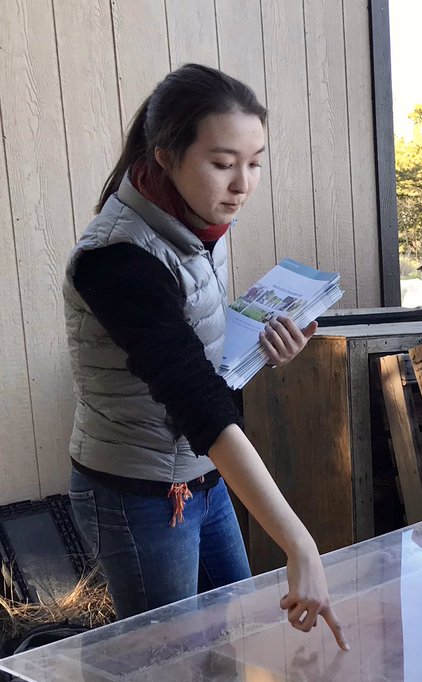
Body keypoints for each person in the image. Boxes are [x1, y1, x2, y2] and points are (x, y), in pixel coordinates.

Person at [63, 64, 346, 648]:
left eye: (255, 162)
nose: (242, 184)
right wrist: (300, 544)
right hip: (140, 493)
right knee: (174, 669)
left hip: (204, 473)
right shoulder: (117, 258)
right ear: (166, 156)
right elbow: (191, 393)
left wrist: (259, 350)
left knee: (234, 644)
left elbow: (193, 348)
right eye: (223, 163)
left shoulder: (195, 220)